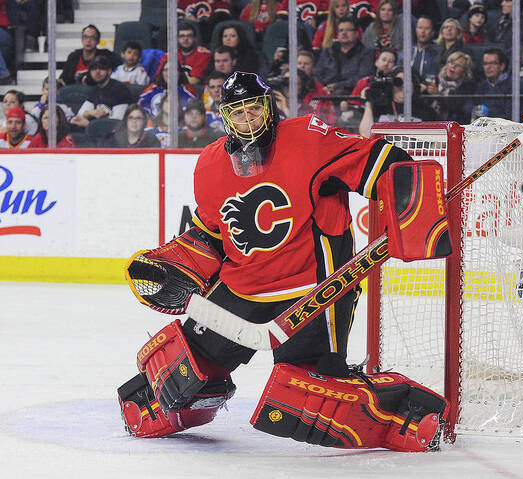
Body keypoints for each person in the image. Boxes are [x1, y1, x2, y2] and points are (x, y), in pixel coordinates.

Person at [117, 71, 450, 452]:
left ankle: (403, 414)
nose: (248, 121)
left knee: (307, 394)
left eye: (253, 110)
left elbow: (376, 160)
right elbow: (210, 233)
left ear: (268, 106)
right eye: (237, 114)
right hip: (242, 289)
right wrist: (175, 266)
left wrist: (413, 197)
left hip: (313, 292)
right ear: (225, 118)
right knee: (185, 373)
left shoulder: (308, 138)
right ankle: (173, 408)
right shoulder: (209, 163)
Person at [359, 65, 435, 137]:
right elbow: (366, 134)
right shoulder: (380, 108)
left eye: (407, 82)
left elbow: (441, 138)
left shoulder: (426, 110)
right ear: (391, 85)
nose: (403, 87)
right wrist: (369, 103)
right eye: (398, 82)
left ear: (414, 85)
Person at [314, 17, 375, 95]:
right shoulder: (328, 52)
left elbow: (363, 78)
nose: (344, 33)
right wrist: (321, 88)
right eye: (341, 30)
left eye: (348, 30)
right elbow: (317, 74)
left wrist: (337, 86)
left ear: (356, 33)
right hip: (324, 90)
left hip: (350, 93)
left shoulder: (366, 53)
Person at [71, 56, 133, 128]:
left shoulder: (120, 90)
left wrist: (89, 125)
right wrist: (91, 112)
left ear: (109, 71)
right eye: (94, 69)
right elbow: (80, 115)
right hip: (97, 131)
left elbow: (116, 123)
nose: (97, 72)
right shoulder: (94, 90)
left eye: (101, 68)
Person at [339, 47, 396, 125]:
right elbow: (354, 105)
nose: (386, 64)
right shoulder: (364, 82)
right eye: (383, 60)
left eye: (390, 62)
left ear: (394, 65)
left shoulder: (396, 84)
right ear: (376, 62)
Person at [425, 51, 476, 124]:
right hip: (429, 123)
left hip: (452, 124)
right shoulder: (435, 81)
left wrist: (439, 96)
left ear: (465, 71)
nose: (453, 66)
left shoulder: (467, 87)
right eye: (451, 62)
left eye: (458, 65)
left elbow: (457, 109)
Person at [466, 47, 511, 121]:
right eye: (485, 64)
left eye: (492, 63)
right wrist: (475, 109)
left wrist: (489, 113)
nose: (488, 67)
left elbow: (510, 114)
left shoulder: (512, 86)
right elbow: (468, 105)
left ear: (502, 66)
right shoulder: (481, 85)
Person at [398, 15, 439, 91]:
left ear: (432, 32)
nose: (423, 31)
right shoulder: (404, 53)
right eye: (420, 28)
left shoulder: (438, 55)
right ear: (416, 30)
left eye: (427, 28)